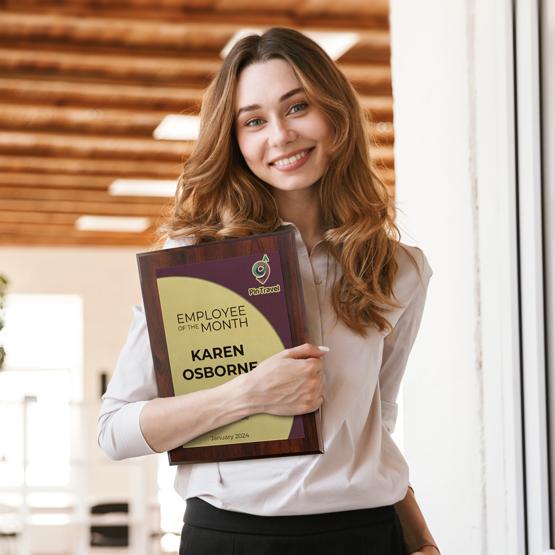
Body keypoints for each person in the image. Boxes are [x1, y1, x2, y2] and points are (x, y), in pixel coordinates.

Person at [98, 27, 440, 555]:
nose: (279, 135)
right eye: (253, 121)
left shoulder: (398, 269)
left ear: (336, 114)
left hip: (369, 535)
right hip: (233, 538)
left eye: (297, 106)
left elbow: (377, 425)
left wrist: (422, 543)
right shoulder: (194, 261)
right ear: (234, 141)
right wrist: (249, 395)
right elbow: (115, 431)